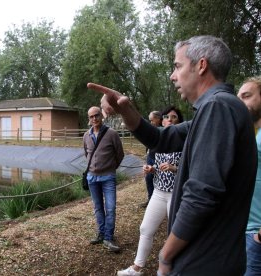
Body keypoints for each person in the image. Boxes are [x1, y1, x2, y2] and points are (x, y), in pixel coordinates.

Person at [88, 35, 257, 275]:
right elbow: (159, 139)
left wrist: (165, 255)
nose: (172, 75)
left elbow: (202, 193)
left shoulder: (218, 107)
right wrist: (124, 108)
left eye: (177, 66)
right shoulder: (216, 108)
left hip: (204, 263)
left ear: (201, 65)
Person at [118, 106, 183, 276]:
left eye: (174, 117)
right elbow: (154, 164)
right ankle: (137, 268)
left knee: (176, 234)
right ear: (161, 120)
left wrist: (175, 168)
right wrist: (151, 169)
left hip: (177, 194)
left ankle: (177, 269)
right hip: (159, 192)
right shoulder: (157, 142)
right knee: (145, 228)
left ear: (179, 121)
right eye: (167, 117)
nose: (170, 119)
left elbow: (193, 168)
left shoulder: (185, 141)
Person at [83, 106, 124, 252]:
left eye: (96, 115)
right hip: (92, 178)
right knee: (98, 207)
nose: (94, 118)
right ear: (89, 119)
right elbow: (86, 154)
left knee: (111, 208)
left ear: (101, 116)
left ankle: (108, 237)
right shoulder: (86, 136)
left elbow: (120, 154)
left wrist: (110, 167)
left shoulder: (112, 133)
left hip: (108, 177)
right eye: (91, 117)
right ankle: (101, 234)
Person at [237, 76, 261, 276]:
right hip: (244, 229)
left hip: (256, 233)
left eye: (247, 96)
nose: (240, 102)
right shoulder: (251, 133)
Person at [139, 111, 162, 208]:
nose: (151, 123)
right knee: (148, 178)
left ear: (158, 119)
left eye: (152, 120)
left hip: (159, 158)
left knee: (159, 179)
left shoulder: (163, 130)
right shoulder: (151, 130)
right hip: (150, 157)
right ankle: (150, 200)